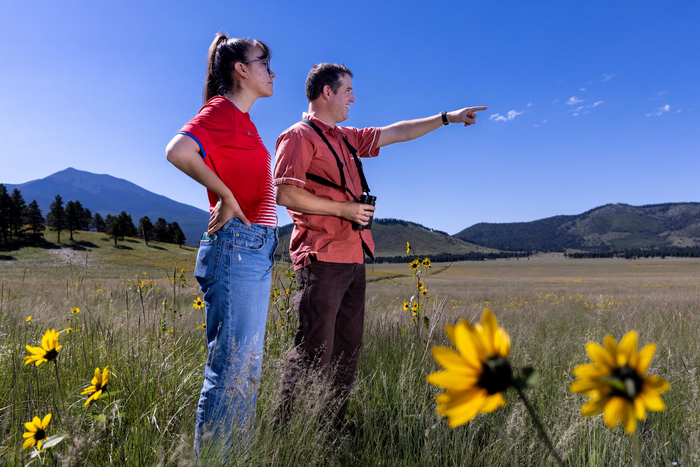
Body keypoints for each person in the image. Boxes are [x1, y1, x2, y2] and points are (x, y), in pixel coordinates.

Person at [273, 63, 486, 428]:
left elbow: (396, 133)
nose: (353, 98)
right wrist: (345, 209)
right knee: (312, 352)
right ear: (327, 92)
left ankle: (330, 429)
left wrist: (447, 118)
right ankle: (286, 434)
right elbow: (285, 192)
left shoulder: (345, 137)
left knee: (346, 352)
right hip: (321, 259)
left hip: (354, 258)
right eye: (348, 91)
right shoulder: (298, 136)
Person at [165, 33, 278, 456]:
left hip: (253, 250)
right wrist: (225, 195)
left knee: (244, 371)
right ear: (240, 70)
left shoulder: (244, 121)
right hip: (237, 250)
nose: (272, 70)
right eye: (263, 62)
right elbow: (178, 150)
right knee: (231, 371)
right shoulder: (222, 110)